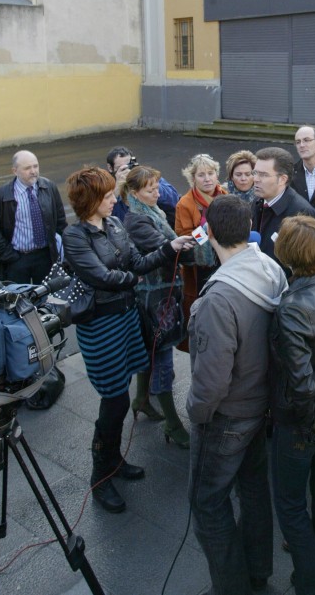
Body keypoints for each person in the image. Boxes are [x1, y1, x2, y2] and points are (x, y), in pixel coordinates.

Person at [62, 166, 192, 514]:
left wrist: (170, 247)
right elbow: (101, 276)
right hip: (100, 324)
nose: (112, 200)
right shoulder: (75, 236)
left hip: (125, 318)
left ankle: (114, 459)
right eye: (106, 197)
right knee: (115, 400)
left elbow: (139, 261)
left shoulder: (115, 225)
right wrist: (132, 279)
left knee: (120, 397)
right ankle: (100, 475)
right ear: (89, 200)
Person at [187, 195, 287, 595]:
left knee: (207, 503)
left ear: (209, 232)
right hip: (260, 405)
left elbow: (211, 382)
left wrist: (196, 412)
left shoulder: (218, 297)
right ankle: (258, 571)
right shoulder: (269, 267)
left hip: (227, 416)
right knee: (253, 489)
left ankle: (231, 587)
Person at [270, 215, 315, 595]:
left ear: (287, 255)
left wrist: (311, 428)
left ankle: (313, 586)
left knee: (291, 509)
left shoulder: (291, 307)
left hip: (302, 424)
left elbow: (300, 384)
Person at [121, 165, 193, 447]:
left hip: (162, 292)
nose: (157, 191)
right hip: (154, 298)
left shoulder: (153, 211)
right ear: (134, 193)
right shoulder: (138, 220)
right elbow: (165, 250)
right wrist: (190, 246)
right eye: (150, 188)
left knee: (154, 347)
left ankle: (140, 399)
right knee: (161, 354)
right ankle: (173, 424)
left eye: (157, 185)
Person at [0, 150, 66, 283]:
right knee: (19, 300)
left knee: (47, 299)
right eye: (27, 168)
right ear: (14, 171)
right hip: (17, 260)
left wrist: (60, 252)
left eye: (36, 166)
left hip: (46, 257)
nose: (33, 171)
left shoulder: (49, 187)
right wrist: (9, 256)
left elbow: (61, 222)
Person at [175, 153, 227, 333]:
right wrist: (206, 231)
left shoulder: (224, 194)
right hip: (200, 268)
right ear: (193, 178)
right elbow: (185, 237)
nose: (207, 179)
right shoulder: (185, 203)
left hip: (225, 260)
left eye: (211, 173)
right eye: (201, 175)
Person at [251, 147, 315, 273]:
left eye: (263, 175)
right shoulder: (257, 203)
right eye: (255, 173)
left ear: (283, 179)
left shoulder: (302, 214)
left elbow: (308, 266)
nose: (255, 179)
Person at [106, 145, 180, 227]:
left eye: (129, 165)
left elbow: (174, 199)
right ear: (110, 168)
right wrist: (117, 191)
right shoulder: (106, 186)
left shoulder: (146, 175)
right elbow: (110, 220)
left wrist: (150, 186)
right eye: (121, 168)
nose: (127, 171)